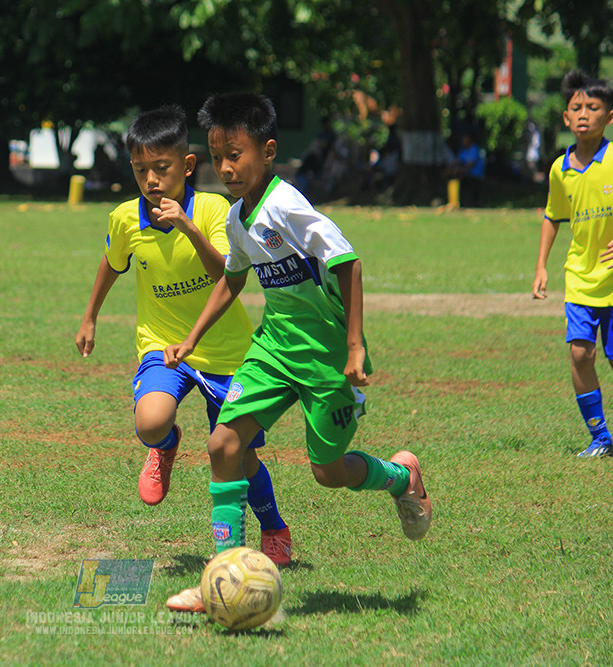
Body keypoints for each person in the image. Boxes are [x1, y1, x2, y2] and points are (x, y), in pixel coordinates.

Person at [162, 92, 432, 612]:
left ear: (267, 151)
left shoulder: (286, 205)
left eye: (235, 153)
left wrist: (354, 346)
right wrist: (192, 338)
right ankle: (222, 574)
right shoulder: (238, 220)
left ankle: (401, 476)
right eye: (217, 155)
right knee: (222, 446)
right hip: (274, 347)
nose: (225, 167)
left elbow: (348, 261)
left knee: (327, 471)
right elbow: (232, 280)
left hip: (328, 356)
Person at [75, 105, 292, 576]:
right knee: (151, 421)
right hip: (163, 343)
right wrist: (90, 316)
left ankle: (273, 527)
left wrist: (187, 227)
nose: (151, 180)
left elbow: (225, 275)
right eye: (140, 170)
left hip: (226, 350)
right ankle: (166, 444)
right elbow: (111, 264)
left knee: (239, 453)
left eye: (162, 168)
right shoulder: (124, 219)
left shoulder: (215, 210)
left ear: (188, 166)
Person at [533, 70, 613, 458]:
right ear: (566, 118)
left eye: (593, 107)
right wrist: (541, 267)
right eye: (576, 108)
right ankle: (599, 436)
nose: (584, 114)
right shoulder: (559, 168)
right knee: (580, 354)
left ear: (609, 116)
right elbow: (552, 216)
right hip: (580, 277)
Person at [446, 130, 485, 207]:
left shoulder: (474, 149)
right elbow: (457, 162)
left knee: (460, 179)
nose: (463, 141)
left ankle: (465, 202)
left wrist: (458, 171)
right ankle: (453, 201)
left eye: (465, 139)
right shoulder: (463, 150)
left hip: (475, 175)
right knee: (451, 177)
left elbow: (470, 165)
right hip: (466, 174)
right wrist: (449, 169)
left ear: (470, 139)